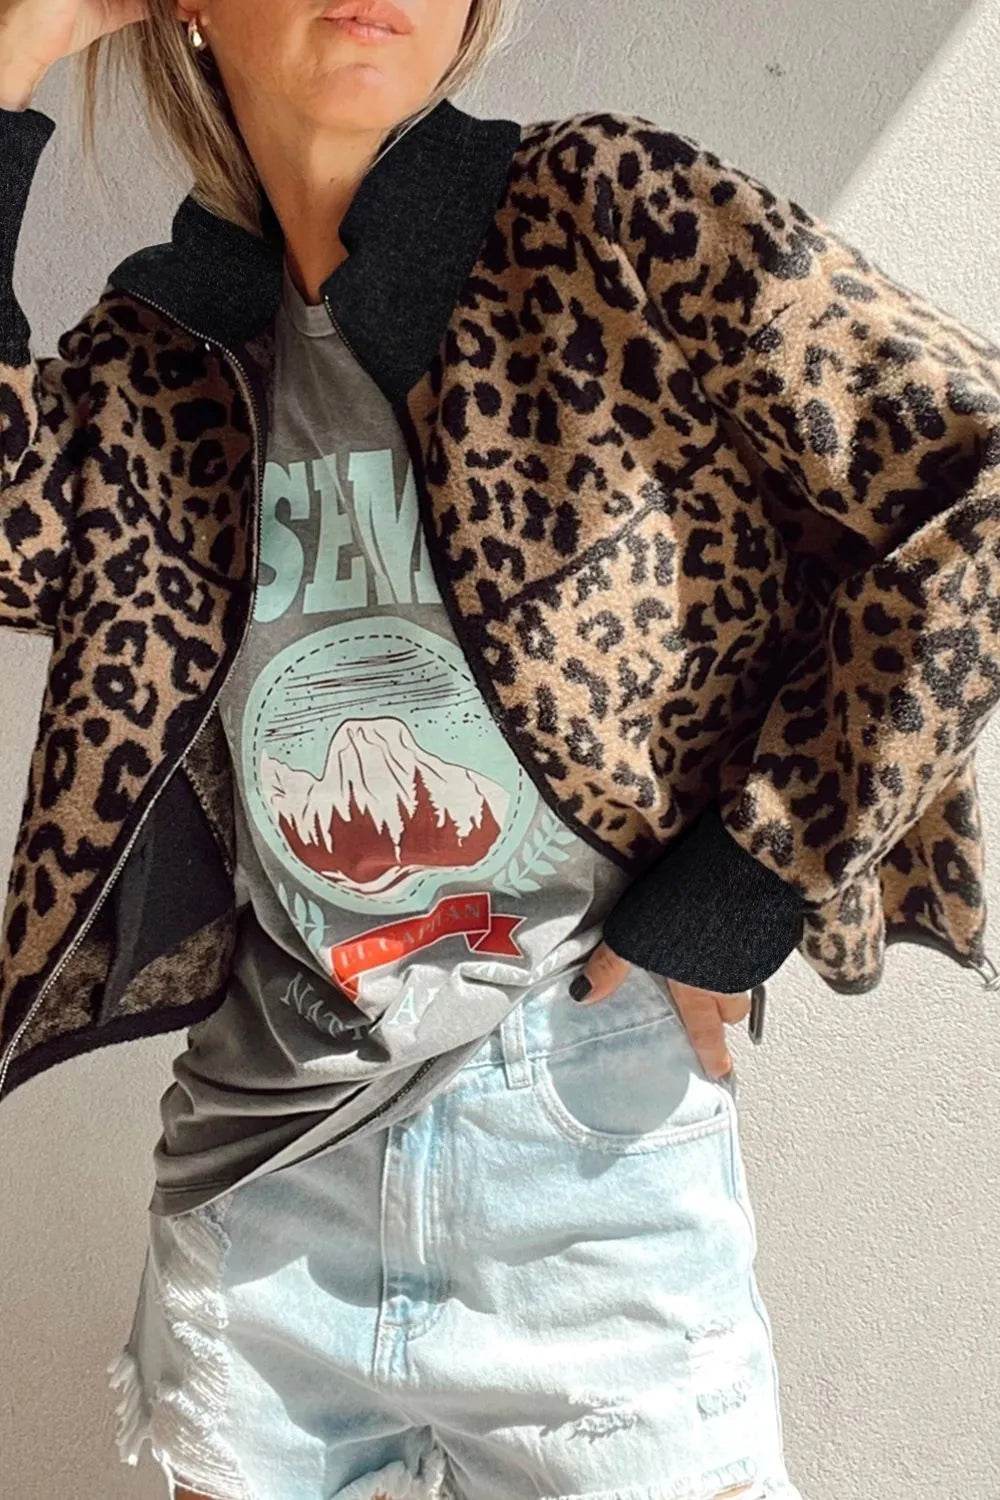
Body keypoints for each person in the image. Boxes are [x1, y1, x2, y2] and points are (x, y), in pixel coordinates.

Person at [2, 0, 999, 1496]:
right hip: (260, 1184)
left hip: (589, 1152)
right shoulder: (156, 351)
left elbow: (978, 482)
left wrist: (747, 884)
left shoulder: (603, 213)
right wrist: (7, 51)